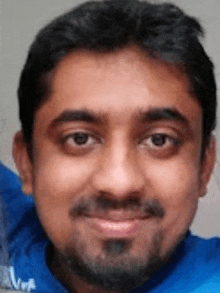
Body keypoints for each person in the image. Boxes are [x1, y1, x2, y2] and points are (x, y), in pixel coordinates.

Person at [0, 0, 219, 292]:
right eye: (79, 138)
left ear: (204, 166)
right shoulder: (12, 228)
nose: (119, 184)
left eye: (159, 139)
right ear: (26, 162)